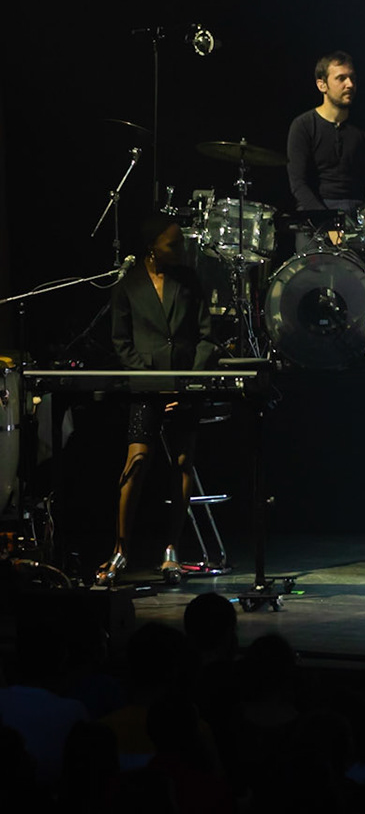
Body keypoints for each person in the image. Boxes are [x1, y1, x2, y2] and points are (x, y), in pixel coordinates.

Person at [100, 215, 218, 585]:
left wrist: (185, 382)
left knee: (183, 461)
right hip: (148, 387)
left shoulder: (189, 281)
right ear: (152, 246)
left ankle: (172, 550)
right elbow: (121, 343)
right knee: (137, 460)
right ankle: (120, 549)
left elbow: (206, 337)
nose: (180, 250)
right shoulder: (128, 285)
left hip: (184, 385)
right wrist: (153, 381)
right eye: (173, 244)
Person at [286, 50, 365, 244]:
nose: (350, 84)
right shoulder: (303, 125)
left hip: (355, 213)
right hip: (314, 214)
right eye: (341, 78)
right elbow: (298, 184)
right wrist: (328, 223)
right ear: (322, 85)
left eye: (352, 78)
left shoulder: (363, 128)